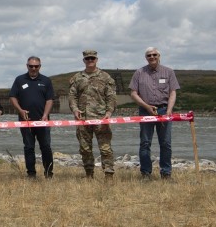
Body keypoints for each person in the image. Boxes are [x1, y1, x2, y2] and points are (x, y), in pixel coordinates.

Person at [129, 47, 180, 180]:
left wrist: (169, 110)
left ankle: (166, 173)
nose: (152, 57)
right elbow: (133, 93)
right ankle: (146, 173)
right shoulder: (139, 73)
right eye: (149, 55)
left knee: (166, 143)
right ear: (146, 58)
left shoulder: (169, 72)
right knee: (145, 142)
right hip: (145, 110)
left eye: (154, 54)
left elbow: (173, 92)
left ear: (159, 56)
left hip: (164, 110)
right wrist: (146, 106)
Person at [68, 50, 117, 180]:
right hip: (83, 119)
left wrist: (109, 112)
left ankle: (108, 174)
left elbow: (111, 97)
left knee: (105, 148)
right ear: (84, 60)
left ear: (96, 59)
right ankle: (89, 174)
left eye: (92, 58)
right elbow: (72, 96)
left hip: (101, 118)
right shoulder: (78, 78)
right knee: (85, 149)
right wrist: (74, 109)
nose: (90, 60)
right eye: (88, 58)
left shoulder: (105, 77)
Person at [9, 57, 55, 179]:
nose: (33, 68)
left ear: (40, 66)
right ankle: (31, 174)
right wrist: (20, 110)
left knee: (46, 147)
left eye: (36, 66)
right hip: (26, 122)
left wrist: (45, 115)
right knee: (29, 147)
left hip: (42, 121)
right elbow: (13, 97)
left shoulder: (46, 80)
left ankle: (48, 173)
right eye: (31, 66)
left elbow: (49, 100)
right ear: (27, 66)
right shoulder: (19, 80)